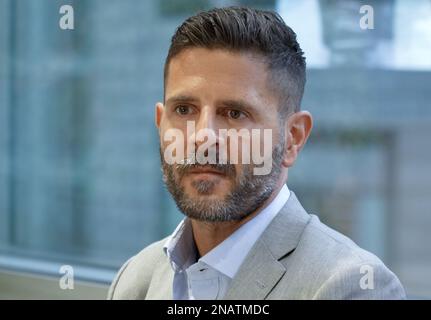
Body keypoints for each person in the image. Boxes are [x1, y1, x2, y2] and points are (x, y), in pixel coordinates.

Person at [108, 6, 405, 300]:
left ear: (293, 138)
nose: (203, 137)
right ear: (160, 124)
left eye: (235, 113)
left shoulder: (354, 286)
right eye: (184, 110)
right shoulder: (135, 279)